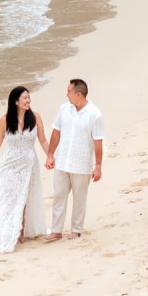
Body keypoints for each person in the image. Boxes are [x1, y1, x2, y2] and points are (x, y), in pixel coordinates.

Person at [0, 85, 47, 254]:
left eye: (29, 97)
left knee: (24, 197)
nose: (28, 100)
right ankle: (8, 228)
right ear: (15, 101)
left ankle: (21, 231)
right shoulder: (5, 120)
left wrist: (51, 156)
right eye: (24, 98)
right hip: (10, 163)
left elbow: (43, 140)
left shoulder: (36, 117)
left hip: (29, 165)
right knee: (11, 197)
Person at [44, 78, 103, 240]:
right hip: (62, 161)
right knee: (59, 196)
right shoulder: (64, 109)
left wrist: (98, 166)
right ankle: (56, 230)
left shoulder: (95, 114)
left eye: (69, 91)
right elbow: (56, 132)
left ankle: (76, 229)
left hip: (81, 164)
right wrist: (50, 154)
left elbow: (98, 142)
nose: (66, 94)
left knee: (79, 198)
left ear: (78, 94)